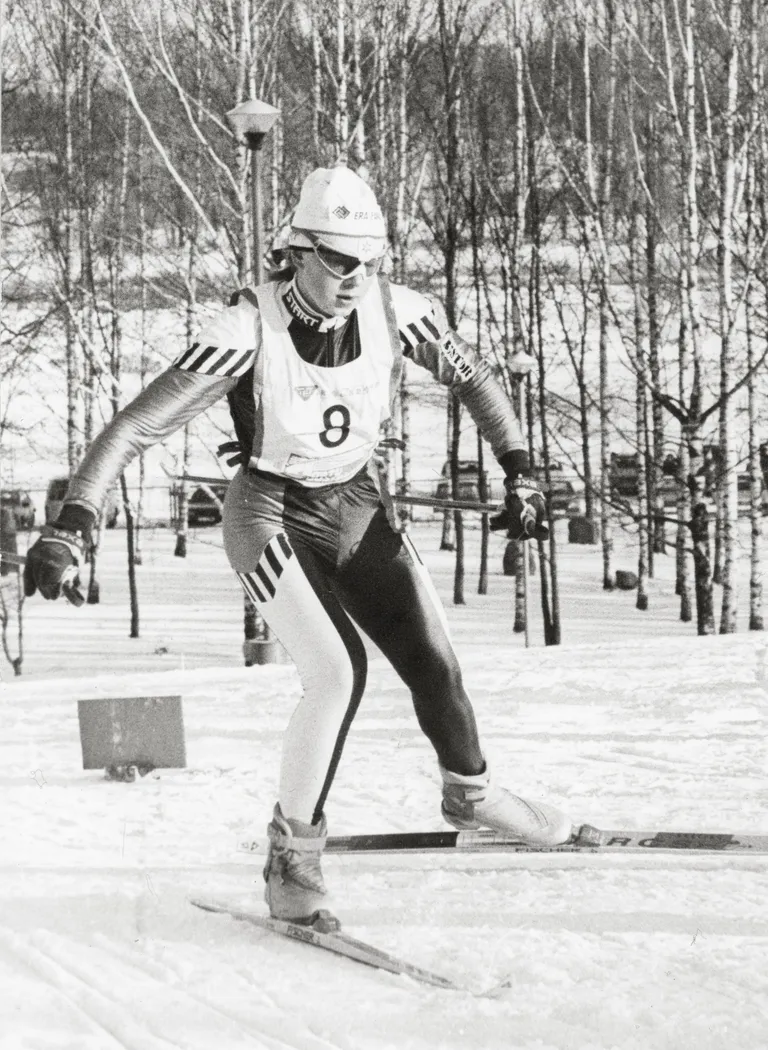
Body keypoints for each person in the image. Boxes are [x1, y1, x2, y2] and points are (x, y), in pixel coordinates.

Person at [24, 165, 593, 932]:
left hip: (355, 505)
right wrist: (72, 520)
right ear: (297, 252)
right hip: (269, 512)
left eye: (371, 258)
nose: (356, 276)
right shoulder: (245, 328)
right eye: (338, 258)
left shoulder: (400, 311)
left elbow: (477, 379)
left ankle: (471, 792)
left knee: (434, 659)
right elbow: (136, 425)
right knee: (336, 673)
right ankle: (291, 857)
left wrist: (523, 470)